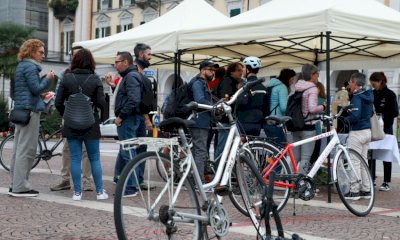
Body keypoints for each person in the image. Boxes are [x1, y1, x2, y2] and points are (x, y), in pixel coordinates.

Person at [8, 39, 55, 197]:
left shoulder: (21, 65)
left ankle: (14, 184)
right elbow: (35, 88)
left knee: (18, 150)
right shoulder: (31, 66)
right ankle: (21, 187)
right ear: (32, 52)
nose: (43, 55)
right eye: (41, 52)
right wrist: (47, 79)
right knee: (27, 150)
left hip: (21, 110)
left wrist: (40, 92)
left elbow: (27, 90)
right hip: (30, 112)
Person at [50, 45, 93, 192]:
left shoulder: (90, 73)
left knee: (86, 150)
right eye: (72, 55)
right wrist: (65, 114)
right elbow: (58, 97)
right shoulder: (65, 73)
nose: (74, 58)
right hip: (70, 116)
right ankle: (65, 180)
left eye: (77, 55)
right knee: (68, 149)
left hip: (86, 117)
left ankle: (87, 181)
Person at [113, 43, 152, 197]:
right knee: (126, 150)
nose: (115, 65)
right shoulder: (134, 75)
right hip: (133, 118)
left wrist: (120, 116)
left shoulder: (131, 76)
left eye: (117, 62)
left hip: (128, 119)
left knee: (128, 152)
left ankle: (130, 187)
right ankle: (120, 180)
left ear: (125, 62)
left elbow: (133, 100)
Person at [343, 72, 373, 200]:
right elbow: (370, 113)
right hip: (367, 131)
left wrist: (344, 118)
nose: (349, 84)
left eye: (350, 82)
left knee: (354, 161)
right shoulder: (368, 94)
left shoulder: (357, 97)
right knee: (363, 161)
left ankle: (354, 191)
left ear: (355, 83)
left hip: (357, 132)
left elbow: (355, 116)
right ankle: (366, 190)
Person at [291, 64, 326, 174]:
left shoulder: (297, 86)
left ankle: (289, 183)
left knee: (295, 158)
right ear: (312, 75)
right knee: (305, 158)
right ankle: (301, 184)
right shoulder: (312, 89)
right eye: (317, 75)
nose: (317, 77)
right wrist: (323, 106)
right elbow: (312, 108)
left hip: (296, 124)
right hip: (308, 125)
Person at [369, 72, 399, 191]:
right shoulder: (371, 93)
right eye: (371, 83)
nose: (372, 85)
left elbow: (395, 112)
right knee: (371, 154)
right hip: (372, 127)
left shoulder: (390, 94)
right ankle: (371, 178)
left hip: (386, 128)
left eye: (374, 83)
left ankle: (386, 181)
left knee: (386, 154)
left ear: (381, 81)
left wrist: (382, 116)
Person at [189, 60, 216, 182]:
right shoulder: (198, 84)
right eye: (210, 70)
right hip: (199, 121)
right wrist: (214, 106)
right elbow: (199, 100)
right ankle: (198, 182)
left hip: (202, 120)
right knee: (200, 151)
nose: (212, 73)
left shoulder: (203, 83)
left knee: (197, 150)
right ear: (202, 70)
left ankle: (192, 178)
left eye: (213, 71)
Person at [213, 62, 244, 162]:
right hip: (226, 118)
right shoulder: (227, 81)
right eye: (239, 70)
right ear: (231, 72)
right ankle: (219, 168)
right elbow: (225, 99)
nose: (241, 72)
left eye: (242, 70)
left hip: (230, 118)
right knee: (223, 146)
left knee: (229, 144)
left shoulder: (232, 81)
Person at [236, 56, 268, 136]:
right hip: (257, 124)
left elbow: (239, 103)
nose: (242, 70)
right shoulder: (263, 88)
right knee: (253, 146)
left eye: (244, 68)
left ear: (248, 69)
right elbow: (267, 108)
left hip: (243, 122)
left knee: (242, 147)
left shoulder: (244, 87)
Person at [263, 68, 296, 145]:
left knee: (272, 147)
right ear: (288, 78)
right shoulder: (282, 87)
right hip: (276, 120)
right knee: (281, 147)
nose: (292, 82)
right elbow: (284, 107)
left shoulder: (270, 85)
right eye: (292, 79)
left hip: (268, 119)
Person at [310, 81, 327, 165]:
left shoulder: (314, 99)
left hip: (311, 129)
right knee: (315, 155)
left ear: (318, 89)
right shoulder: (323, 101)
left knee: (309, 155)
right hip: (318, 130)